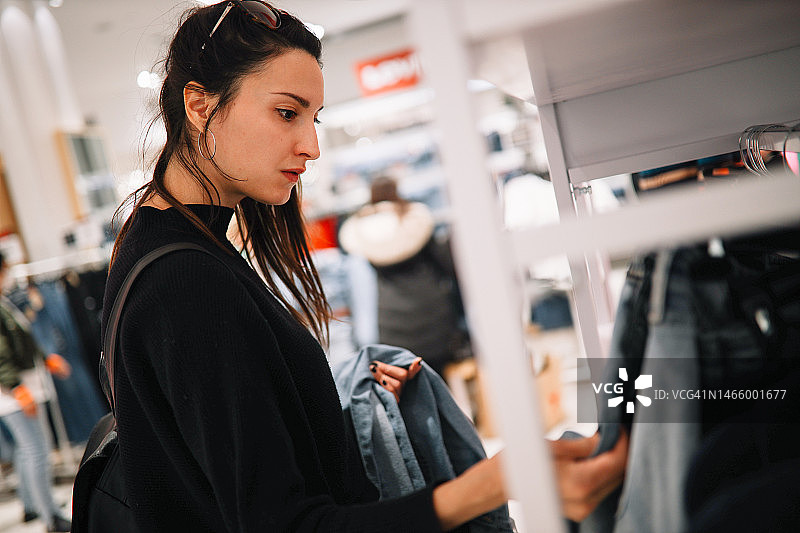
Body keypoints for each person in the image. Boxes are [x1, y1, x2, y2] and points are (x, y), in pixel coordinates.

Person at [102, 2, 628, 531]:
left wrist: (347, 405)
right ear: (199, 105)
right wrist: (490, 484)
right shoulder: (186, 280)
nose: (310, 147)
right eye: (287, 113)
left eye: (313, 118)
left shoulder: (162, 246)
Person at [339, 176, 465, 376]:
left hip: (391, 320)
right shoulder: (414, 222)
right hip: (432, 313)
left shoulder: (363, 232)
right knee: (439, 377)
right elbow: (445, 265)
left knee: (408, 383)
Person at [0, 252, 72, 533]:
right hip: (15, 392)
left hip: (18, 389)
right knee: (37, 451)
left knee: (26, 450)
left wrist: (44, 358)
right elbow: (1, 356)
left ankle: (33, 507)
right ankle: (50, 516)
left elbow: (20, 340)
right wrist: (18, 389)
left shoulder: (3, 302)